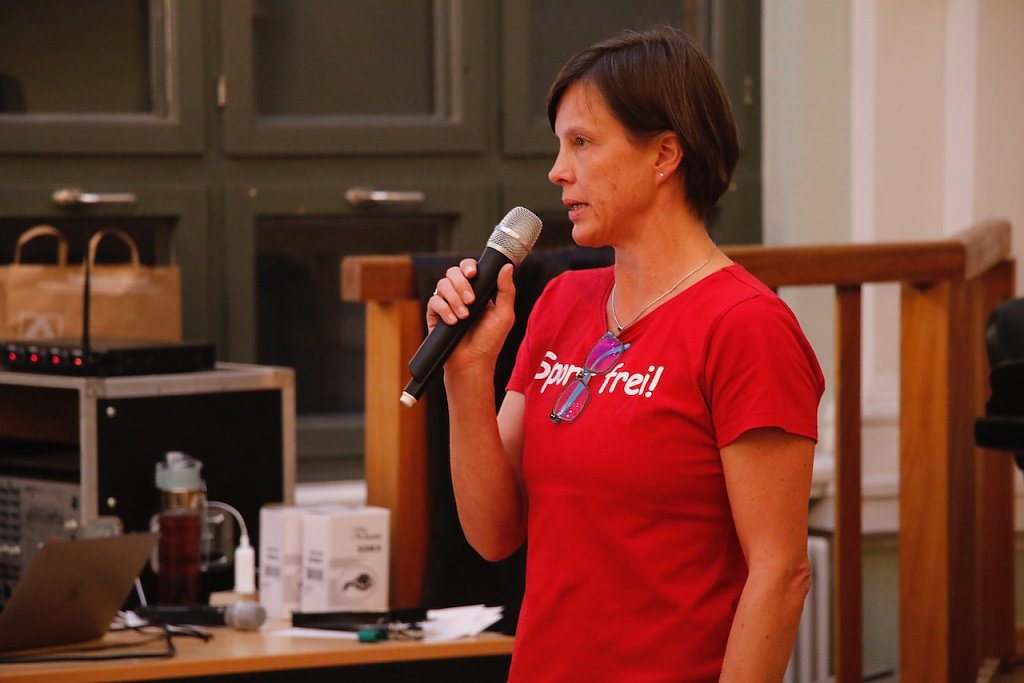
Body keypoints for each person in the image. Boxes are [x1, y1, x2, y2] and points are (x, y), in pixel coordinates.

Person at [428, 26, 824, 682]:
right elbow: (493, 533)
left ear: (664, 153)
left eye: (582, 142)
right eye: (560, 145)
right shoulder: (561, 301)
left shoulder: (747, 327)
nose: (558, 170)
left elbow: (780, 574)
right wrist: (467, 374)